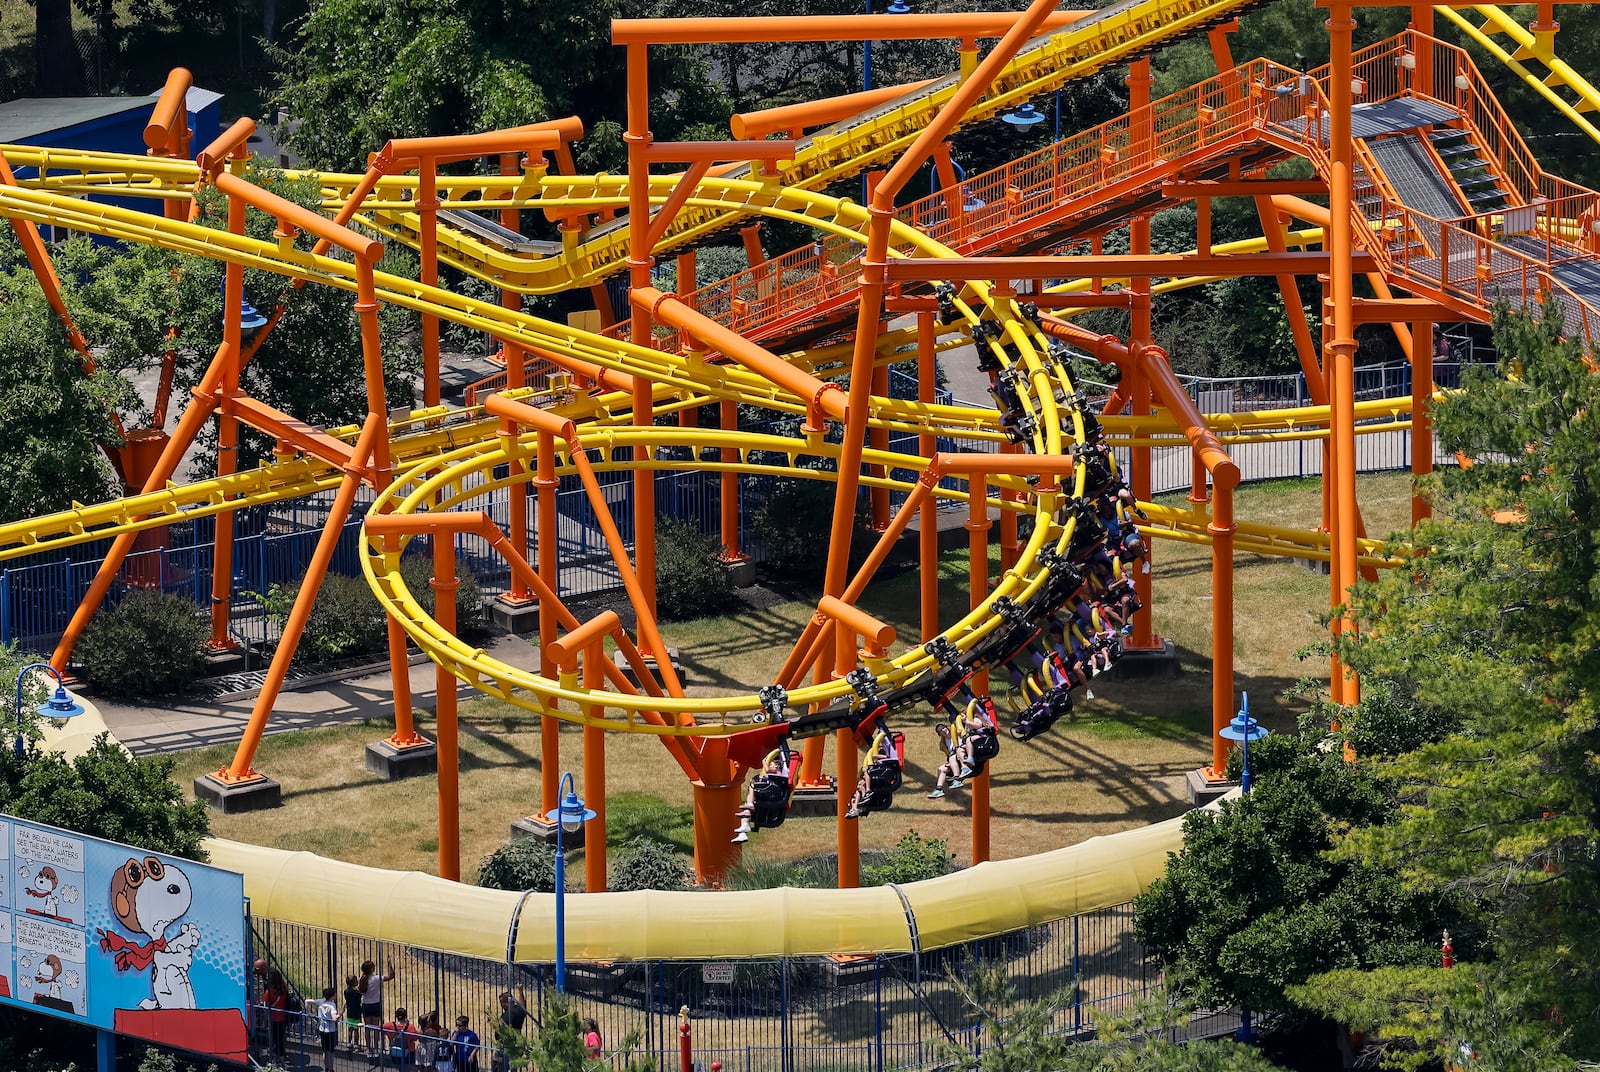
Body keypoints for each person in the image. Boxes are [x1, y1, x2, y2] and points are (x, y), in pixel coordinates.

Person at [360, 959, 396, 1054]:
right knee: (376, 1027)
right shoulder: (376, 978)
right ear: (372, 969)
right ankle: (376, 1047)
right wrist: (389, 965)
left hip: (365, 1005)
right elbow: (391, 976)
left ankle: (368, 1048)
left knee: (367, 1028)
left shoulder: (362, 979)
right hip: (375, 1004)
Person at [926, 723, 966, 799]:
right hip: (954, 760)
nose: (943, 731)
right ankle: (939, 789)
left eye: (943, 728)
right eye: (940, 731)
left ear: (947, 728)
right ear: (940, 734)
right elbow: (949, 753)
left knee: (951, 758)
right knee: (941, 769)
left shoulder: (956, 733)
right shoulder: (945, 741)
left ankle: (957, 779)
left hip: (962, 756)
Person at [260, 966, 291, 1063]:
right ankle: (281, 1061)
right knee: (281, 1041)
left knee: (273, 1041)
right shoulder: (284, 989)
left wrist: (264, 1023)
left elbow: (266, 1010)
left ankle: (275, 1062)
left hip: (273, 1019)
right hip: (283, 1017)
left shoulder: (268, 993)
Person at [314, 986, 341, 1072]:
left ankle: (326, 1067)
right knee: (331, 1051)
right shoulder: (332, 1005)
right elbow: (334, 1019)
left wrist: (309, 1013)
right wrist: (340, 1013)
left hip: (322, 1029)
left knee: (325, 1050)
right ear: (332, 996)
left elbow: (307, 1001)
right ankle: (331, 1068)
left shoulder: (320, 1002)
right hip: (330, 1030)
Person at [344, 973, 366, 1053]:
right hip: (356, 1012)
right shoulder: (357, 993)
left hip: (349, 1012)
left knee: (350, 1029)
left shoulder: (346, 991)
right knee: (356, 1029)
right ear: (354, 983)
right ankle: (356, 1044)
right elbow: (360, 999)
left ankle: (349, 1043)